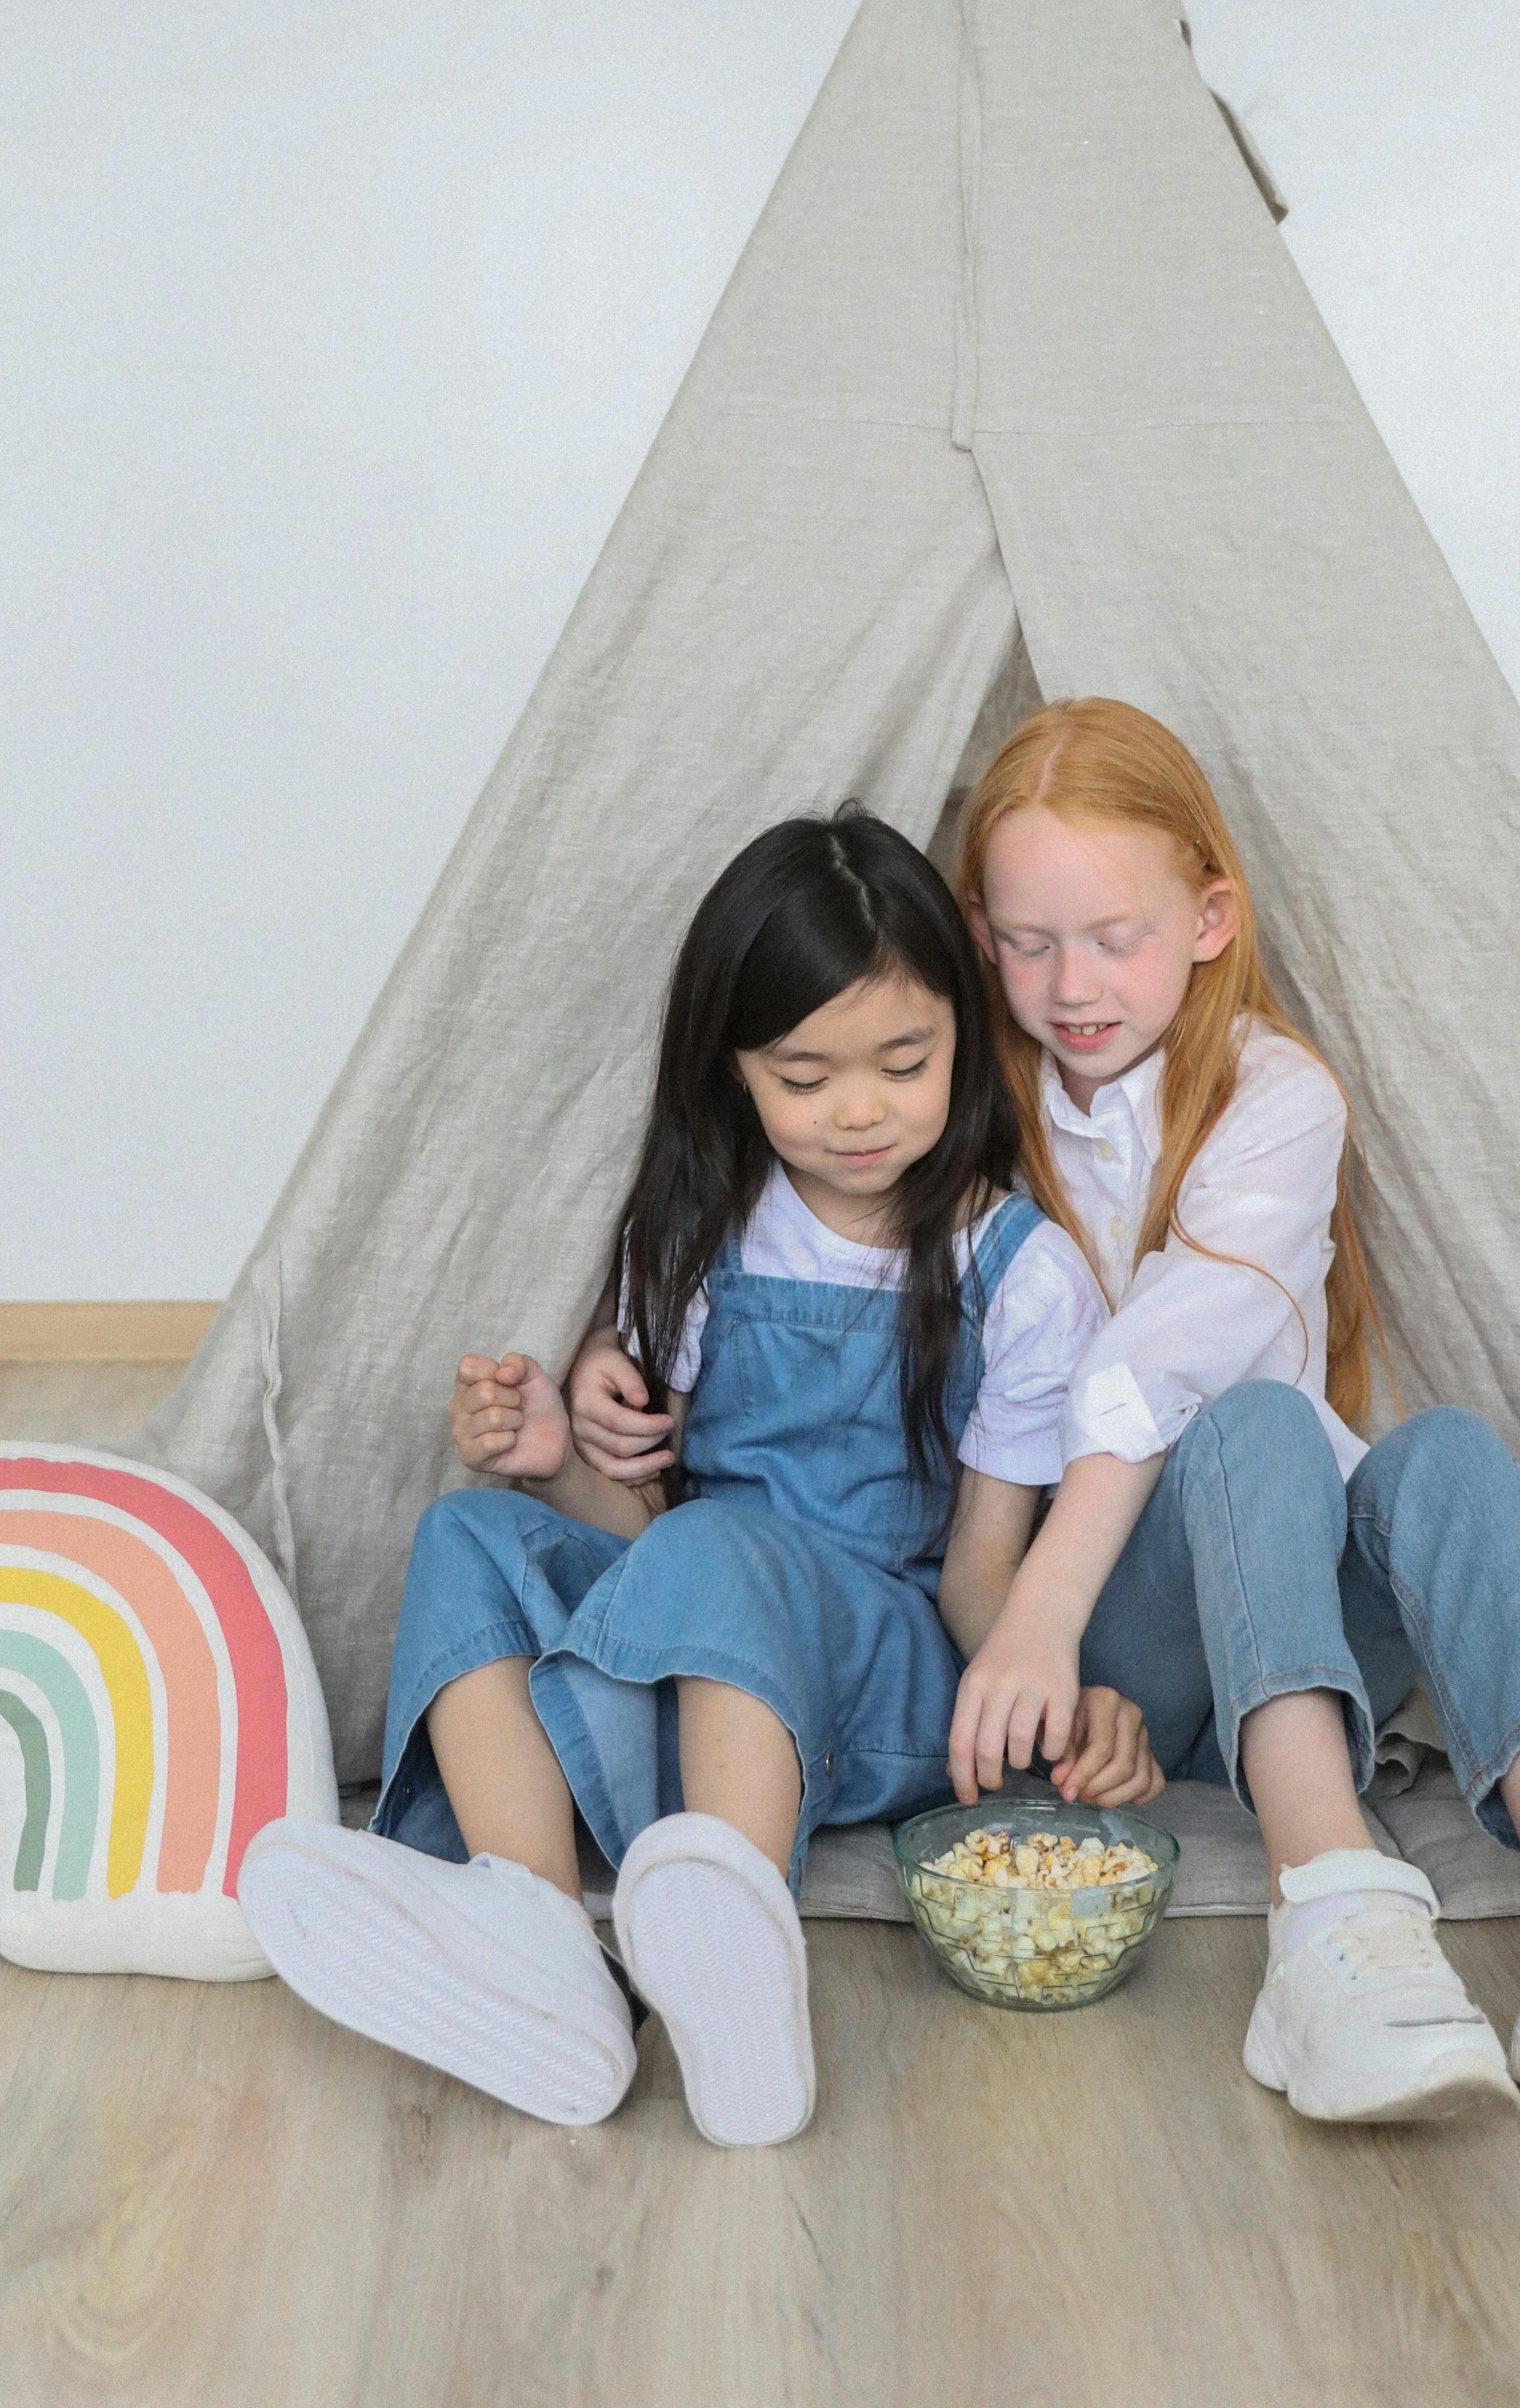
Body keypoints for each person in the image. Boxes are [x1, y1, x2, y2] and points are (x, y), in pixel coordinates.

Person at [937, 696, 1520, 2126]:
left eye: (1113, 937)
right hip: (1110, 1632)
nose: (1069, 983)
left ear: (1210, 918)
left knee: (1443, 1448)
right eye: (1027, 943)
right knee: (1260, 1428)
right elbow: (1114, 1409)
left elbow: (1171, 1348)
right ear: (980, 934)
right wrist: (1035, 1632)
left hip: (1295, 1615)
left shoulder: (1274, 1096)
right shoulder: (972, 1112)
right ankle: (1326, 1911)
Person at [240, 807, 1147, 2149]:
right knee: (472, 1534)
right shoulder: (700, 1236)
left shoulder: (1017, 1275)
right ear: (731, 1073)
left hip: (878, 1668)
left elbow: (980, 1572)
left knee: (729, 1548)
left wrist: (1042, 1700)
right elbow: (650, 1536)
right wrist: (552, 1464)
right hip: (702, 1638)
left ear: (962, 1038)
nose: (855, 1111)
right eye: (802, 1076)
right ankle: (542, 1940)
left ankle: (739, 1935)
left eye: (903, 1064)